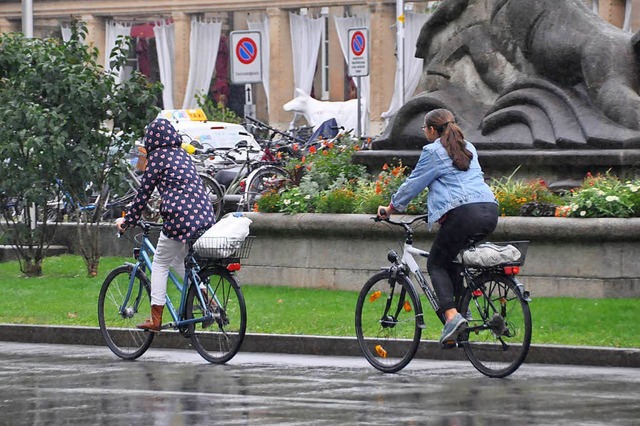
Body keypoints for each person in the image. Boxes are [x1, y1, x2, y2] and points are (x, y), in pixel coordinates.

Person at [377, 108, 498, 347]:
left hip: (463, 214)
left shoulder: (433, 151)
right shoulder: (469, 148)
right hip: (489, 211)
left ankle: (452, 317)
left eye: (425, 129)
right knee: (453, 260)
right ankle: (464, 314)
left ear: (432, 130)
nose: (425, 133)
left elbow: (413, 185)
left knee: (435, 263)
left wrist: (390, 209)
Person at [116, 118, 215, 332]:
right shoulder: (183, 155)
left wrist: (127, 221)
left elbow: (143, 194)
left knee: (160, 263)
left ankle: (155, 319)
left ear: (151, 139)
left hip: (180, 218)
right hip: (204, 215)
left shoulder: (157, 159)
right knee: (179, 261)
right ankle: (207, 299)